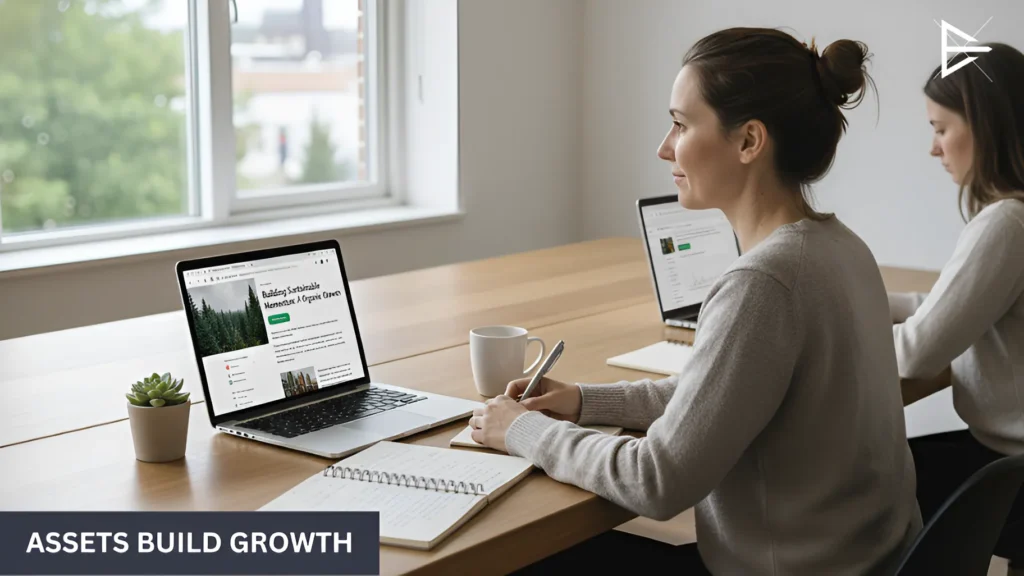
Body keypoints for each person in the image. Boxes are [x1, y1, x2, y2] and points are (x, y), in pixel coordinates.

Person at [469, 27, 921, 574]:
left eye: (681, 124)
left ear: (749, 141)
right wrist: (586, 401)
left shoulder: (763, 283)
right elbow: (722, 395)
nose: (664, 147)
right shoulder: (843, 248)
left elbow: (656, 481)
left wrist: (519, 429)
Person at [888, 43, 1024, 572]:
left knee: (866, 485)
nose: (933, 148)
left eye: (941, 128)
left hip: (1011, 466)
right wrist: (868, 301)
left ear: (987, 125)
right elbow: (957, 306)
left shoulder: (1004, 225)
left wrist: (828, 334)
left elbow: (915, 356)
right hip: (1006, 454)